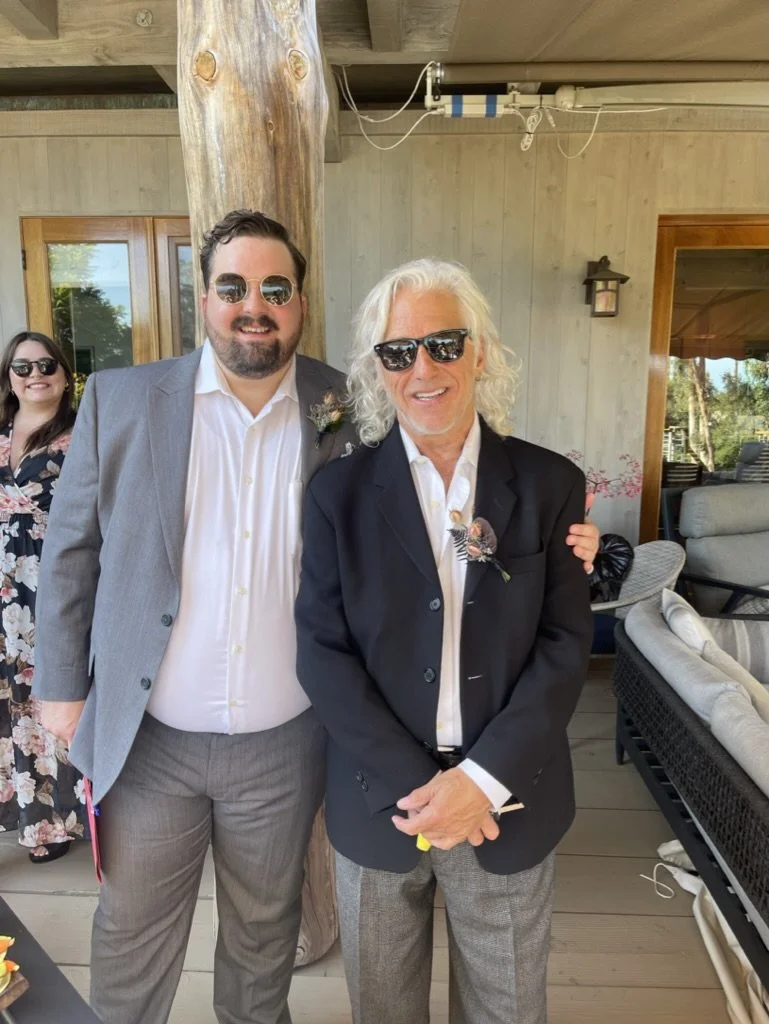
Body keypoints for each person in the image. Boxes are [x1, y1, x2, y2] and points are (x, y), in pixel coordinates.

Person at [34, 211, 598, 1024]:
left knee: (266, 937)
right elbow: (69, 548)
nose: (252, 305)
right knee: (129, 931)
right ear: (204, 297)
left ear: (300, 303)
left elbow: (455, 502)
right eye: (232, 287)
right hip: (149, 731)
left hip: (285, 740)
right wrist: (58, 684)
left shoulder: (342, 406)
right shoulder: (124, 400)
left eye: (275, 288)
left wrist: (580, 547)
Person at [295, 258, 595, 1024]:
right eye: (398, 352)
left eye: (444, 343)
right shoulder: (337, 495)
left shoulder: (550, 484)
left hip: (509, 801)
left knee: (507, 1011)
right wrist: (426, 790)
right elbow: (322, 653)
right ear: (377, 370)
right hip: (380, 802)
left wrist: (478, 783)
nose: (422, 368)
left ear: (481, 351)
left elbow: (564, 646)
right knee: (382, 1011)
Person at [0, 331, 86, 863]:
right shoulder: (1, 432)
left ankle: (51, 824)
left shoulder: (82, 435)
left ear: (64, 372)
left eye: (46, 364)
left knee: (44, 700)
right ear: (9, 376)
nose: (35, 374)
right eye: (22, 366)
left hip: (47, 588)